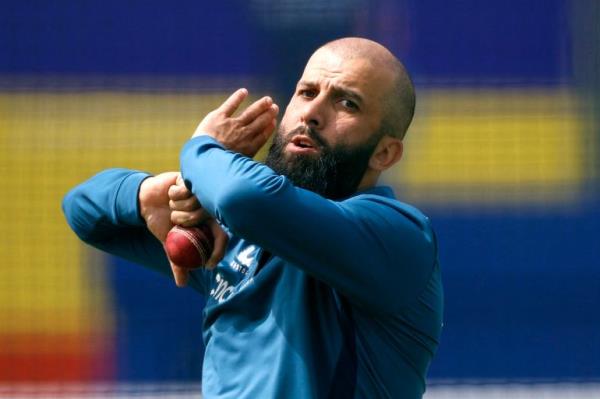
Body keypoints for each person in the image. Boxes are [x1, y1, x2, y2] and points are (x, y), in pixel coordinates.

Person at [63, 37, 443, 398]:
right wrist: (147, 194)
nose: (311, 113)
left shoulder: (396, 235)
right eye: (307, 92)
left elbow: (242, 196)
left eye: (348, 104)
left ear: (384, 154)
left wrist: (201, 148)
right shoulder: (234, 236)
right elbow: (82, 210)